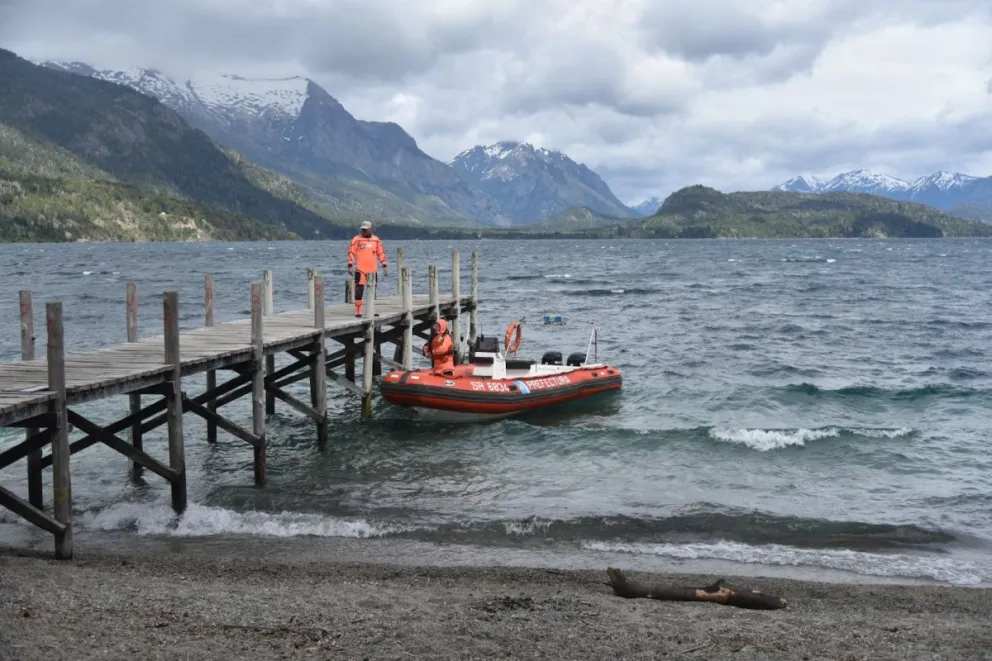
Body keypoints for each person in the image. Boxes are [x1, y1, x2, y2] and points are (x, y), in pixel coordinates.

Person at [347, 220, 388, 317]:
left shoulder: (376, 240)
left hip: (373, 270)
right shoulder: (356, 239)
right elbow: (351, 252)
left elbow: (381, 253)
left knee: (372, 290)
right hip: (360, 270)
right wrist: (350, 265)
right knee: (359, 290)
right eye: (362, 229)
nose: (363, 231)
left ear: (371, 229)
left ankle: (372, 310)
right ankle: (358, 311)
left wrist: (384, 266)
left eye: (365, 230)